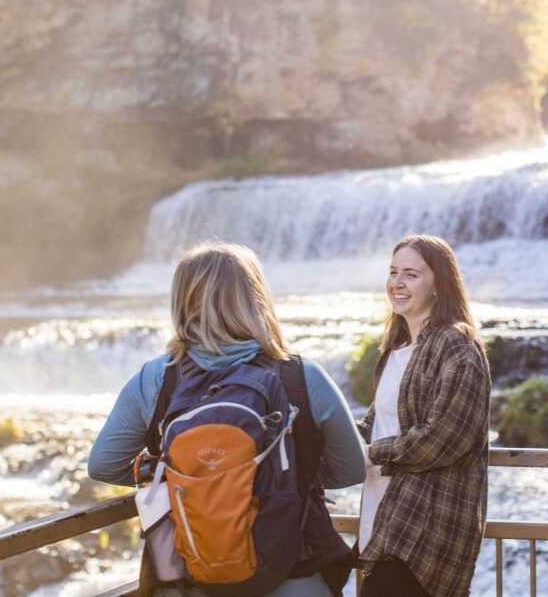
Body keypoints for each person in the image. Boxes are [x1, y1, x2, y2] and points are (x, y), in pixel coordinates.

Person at [88, 242, 365, 597]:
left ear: (182, 301)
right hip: (296, 568)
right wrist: (277, 477)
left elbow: (103, 466)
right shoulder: (303, 376)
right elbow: (351, 470)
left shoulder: (155, 378)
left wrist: (195, 476)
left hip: (187, 572)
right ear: (256, 297)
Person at [357, 234, 491, 597]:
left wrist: (373, 453)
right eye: (393, 272)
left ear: (439, 284)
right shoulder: (398, 347)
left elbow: (445, 438)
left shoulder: (455, 344)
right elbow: (379, 421)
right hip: (386, 517)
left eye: (411, 275)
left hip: (425, 529)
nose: (397, 283)